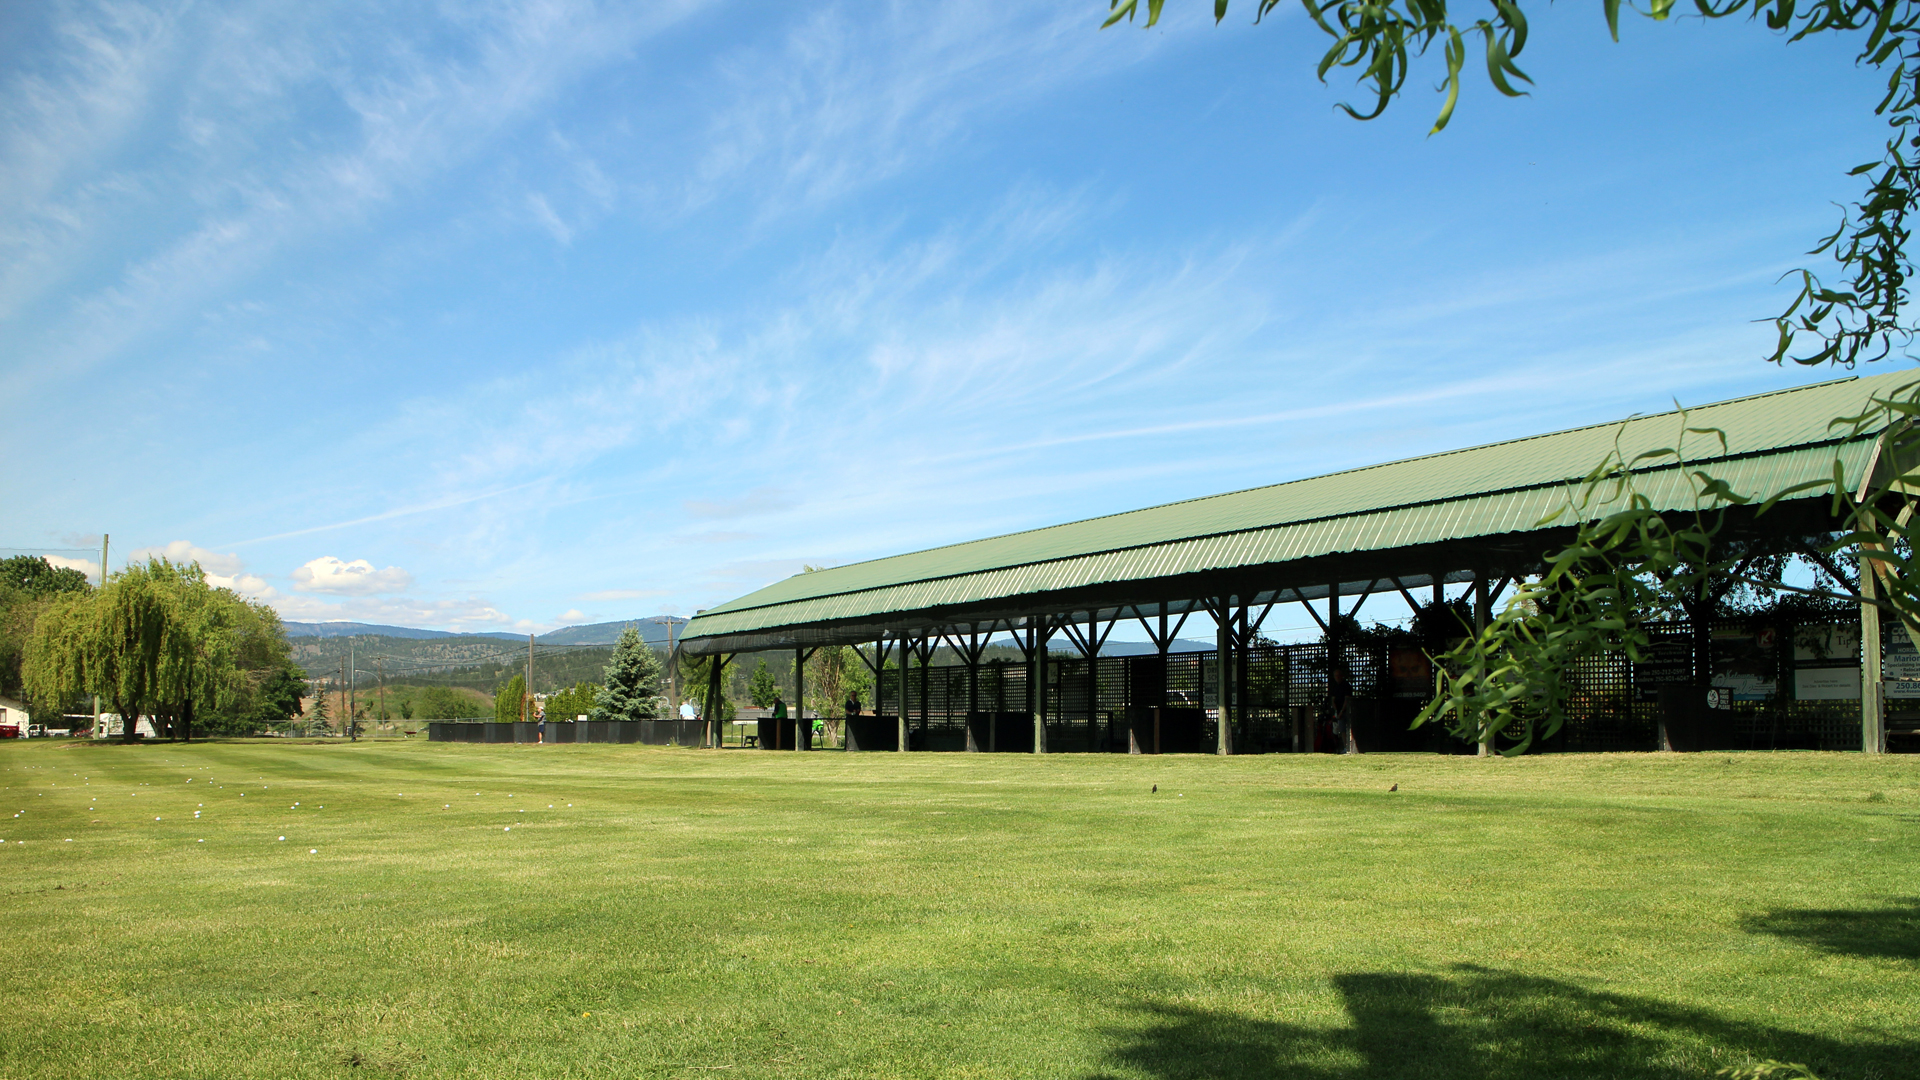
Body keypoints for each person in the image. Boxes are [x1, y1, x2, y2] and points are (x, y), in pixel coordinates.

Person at [1328, 664, 1359, 755]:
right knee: (1342, 730)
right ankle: (1346, 747)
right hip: (1339, 711)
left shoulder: (1346, 686)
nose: (1337, 677)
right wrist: (1336, 711)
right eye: (1335, 676)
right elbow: (1333, 700)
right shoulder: (1335, 687)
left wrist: (1341, 711)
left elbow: (1347, 700)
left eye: (1338, 675)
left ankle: (1351, 747)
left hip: (1347, 711)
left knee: (1349, 729)